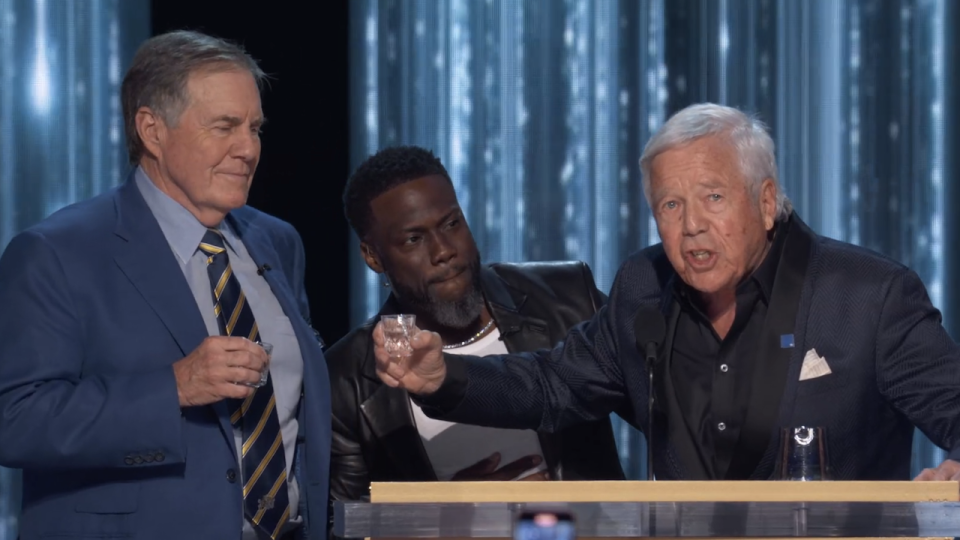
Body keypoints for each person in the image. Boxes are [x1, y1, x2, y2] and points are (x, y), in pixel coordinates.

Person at [372, 103, 960, 482]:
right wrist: (442, 378)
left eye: (713, 197)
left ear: (765, 200)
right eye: (670, 206)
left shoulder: (869, 296)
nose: (691, 227)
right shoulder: (643, 288)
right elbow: (554, 384)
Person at [0, 31, 330, 540]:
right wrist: (173, 387)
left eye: (254, 128)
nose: (248, 149)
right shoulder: (56, 253)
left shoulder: (277, 242)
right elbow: (16, 421)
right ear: (153, 131)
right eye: (224, 127)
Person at [327, 146, 624, 509]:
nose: (443, 251)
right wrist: (442, 514)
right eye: (414, 239)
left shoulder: (569, 298)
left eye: (452, 223)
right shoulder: (346, 380)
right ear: (373, 257)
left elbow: (666, 405)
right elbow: (338, 524)